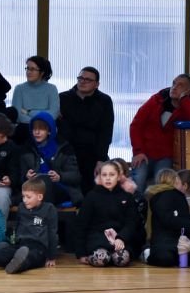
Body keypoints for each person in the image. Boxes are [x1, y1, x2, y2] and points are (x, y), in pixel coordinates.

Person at [129, 73, 190, 189]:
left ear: (188, 91)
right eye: (174, 83)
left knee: (162, 183)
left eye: (180, 85)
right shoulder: (156, 100)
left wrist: (184, 99)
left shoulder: (188, 106)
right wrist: (138, 151)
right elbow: (136, 125)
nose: (174, 87)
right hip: (144, 152)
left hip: (166, 156)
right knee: (138, 179)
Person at [59, 66, 115, 195]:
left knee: (93, 189)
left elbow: (106, 132)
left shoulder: (104, 101)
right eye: (80, 78)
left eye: (88, 80)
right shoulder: (63, 98)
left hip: (93, 152)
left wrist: (101, 159)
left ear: (97, 84)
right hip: (67, 151)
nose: (83, 82)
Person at [71, 160, 137, 267]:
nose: (108, 178)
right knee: (101, 258)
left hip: (119, 240)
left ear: (119, 177)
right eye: (104, 175)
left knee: (122, 259)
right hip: (97, 240)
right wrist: (81, 253)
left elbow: (131, 223)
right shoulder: (91, 197)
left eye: (111, 175)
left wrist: (121, 238)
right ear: (100, 177)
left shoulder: (127, 197)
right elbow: (81, 225)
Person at [20, 111, 81, 207]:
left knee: (44, 186)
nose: (37, 132)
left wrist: (59, 176)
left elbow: (75, 176)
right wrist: (26, 176)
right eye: (34, 129)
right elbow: (19, 176)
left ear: (49, 130)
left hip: (60, 188)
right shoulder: (27, 149)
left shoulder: (64, 148)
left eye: (41, 128)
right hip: (34, 189)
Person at [4, 176, 59, 274]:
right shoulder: (21, 207)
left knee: (32, 256)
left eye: (28, 197)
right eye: (23, 196)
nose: (25, 200)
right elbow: (18, 226)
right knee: (5, 251)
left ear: (40, 197)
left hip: (39, 247)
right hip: (21, 244)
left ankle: (18, 265)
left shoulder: (49, 209)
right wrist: (14, 242)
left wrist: (51, 257)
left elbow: (52, 234)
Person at [143, 168, 190, 267]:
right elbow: (173, 220)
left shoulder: (153, 197)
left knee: (166, 258)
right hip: (177, 240)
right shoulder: (177, 196)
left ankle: (148, 253)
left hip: (160, 243)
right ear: (175, 181)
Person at [10, 55, 60, 143]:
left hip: (46, 127)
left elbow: (53, 114)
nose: (28, 72)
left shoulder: (51, 89)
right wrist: (38, 121)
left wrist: (29, 112)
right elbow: (17, 114)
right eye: (27, 68)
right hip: (25, 128)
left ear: (42, 72)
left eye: (32, 69)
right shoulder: (19, 88)